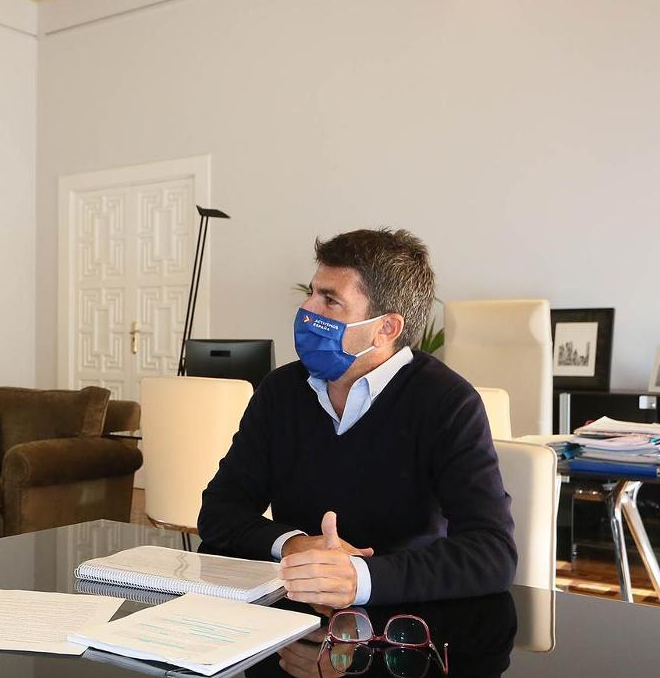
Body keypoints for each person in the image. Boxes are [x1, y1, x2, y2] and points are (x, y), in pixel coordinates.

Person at [197, 228, 516, 608]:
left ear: (386, 329)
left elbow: (492, 552)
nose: (308, 311)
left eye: (330, 301)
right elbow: (219, 511)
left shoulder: (448, 402)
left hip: (406, 628)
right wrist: (296, 545)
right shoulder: (281, 390)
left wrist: (358, 578)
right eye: (311, 293)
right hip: (292, 622)